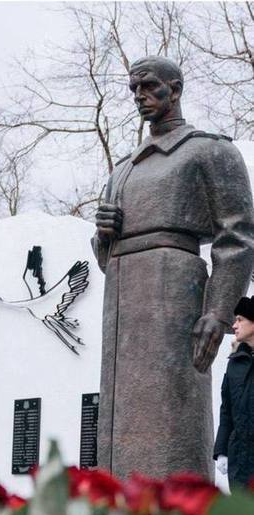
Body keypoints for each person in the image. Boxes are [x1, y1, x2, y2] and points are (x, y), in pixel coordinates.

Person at [92, 56, 254, 480]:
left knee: (171, 418)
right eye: (134, 90)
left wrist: (217, 313)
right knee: (117, 417)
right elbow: (106, 262)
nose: (140, 96)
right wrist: (104, 236)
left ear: (175, 89)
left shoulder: (209, 150)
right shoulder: (122, 170)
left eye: (149, 86)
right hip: (123, 309)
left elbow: (236, 238)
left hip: (174, 294)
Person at [214, 296, 254, 489]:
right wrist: (221, 451)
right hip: (240, 460)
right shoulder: (235, 364)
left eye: (240, 319)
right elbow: (226, 410)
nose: (234, 325)